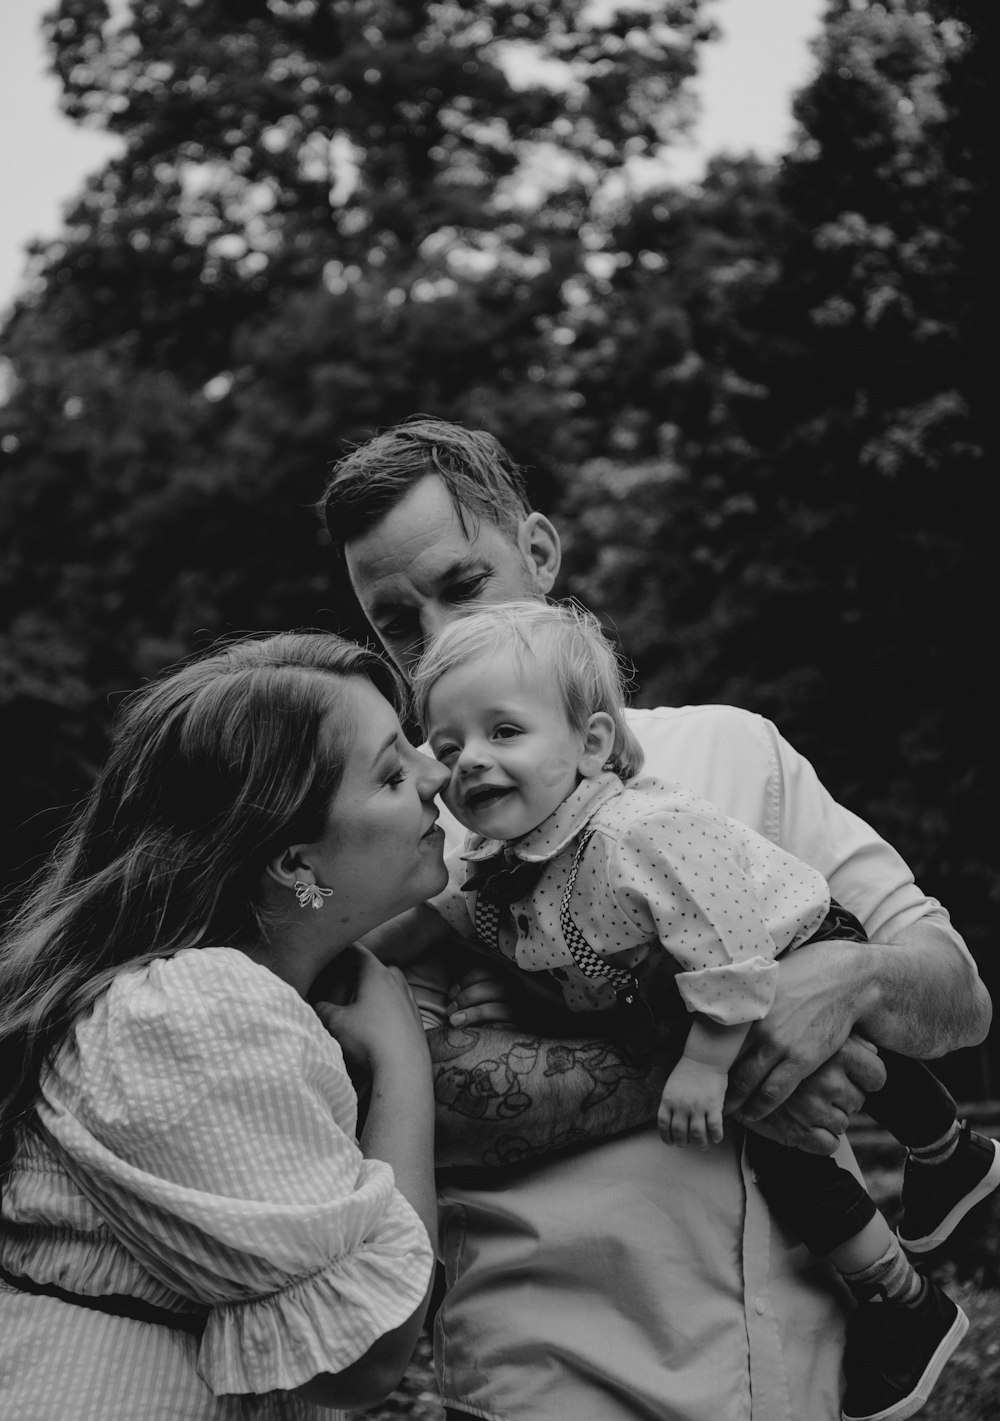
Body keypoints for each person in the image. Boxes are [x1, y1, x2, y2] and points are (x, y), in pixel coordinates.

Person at [320, 416, 993, 1421]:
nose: (438, 640)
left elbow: (957, 996)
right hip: (546, 1381)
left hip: (808, 1375)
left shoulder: (737, 750)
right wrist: (730, 1045)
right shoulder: (401, 847)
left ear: (540, 552)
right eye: (394, 620)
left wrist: (843, 984)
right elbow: (392, 1112)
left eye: (463, 585)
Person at [0, 631, 452, 1420]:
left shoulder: (215, 997)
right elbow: (365, 1359)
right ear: (295, 863)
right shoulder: (195, 1011)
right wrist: (403, 1060)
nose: (436, 771)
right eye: (391, 771)